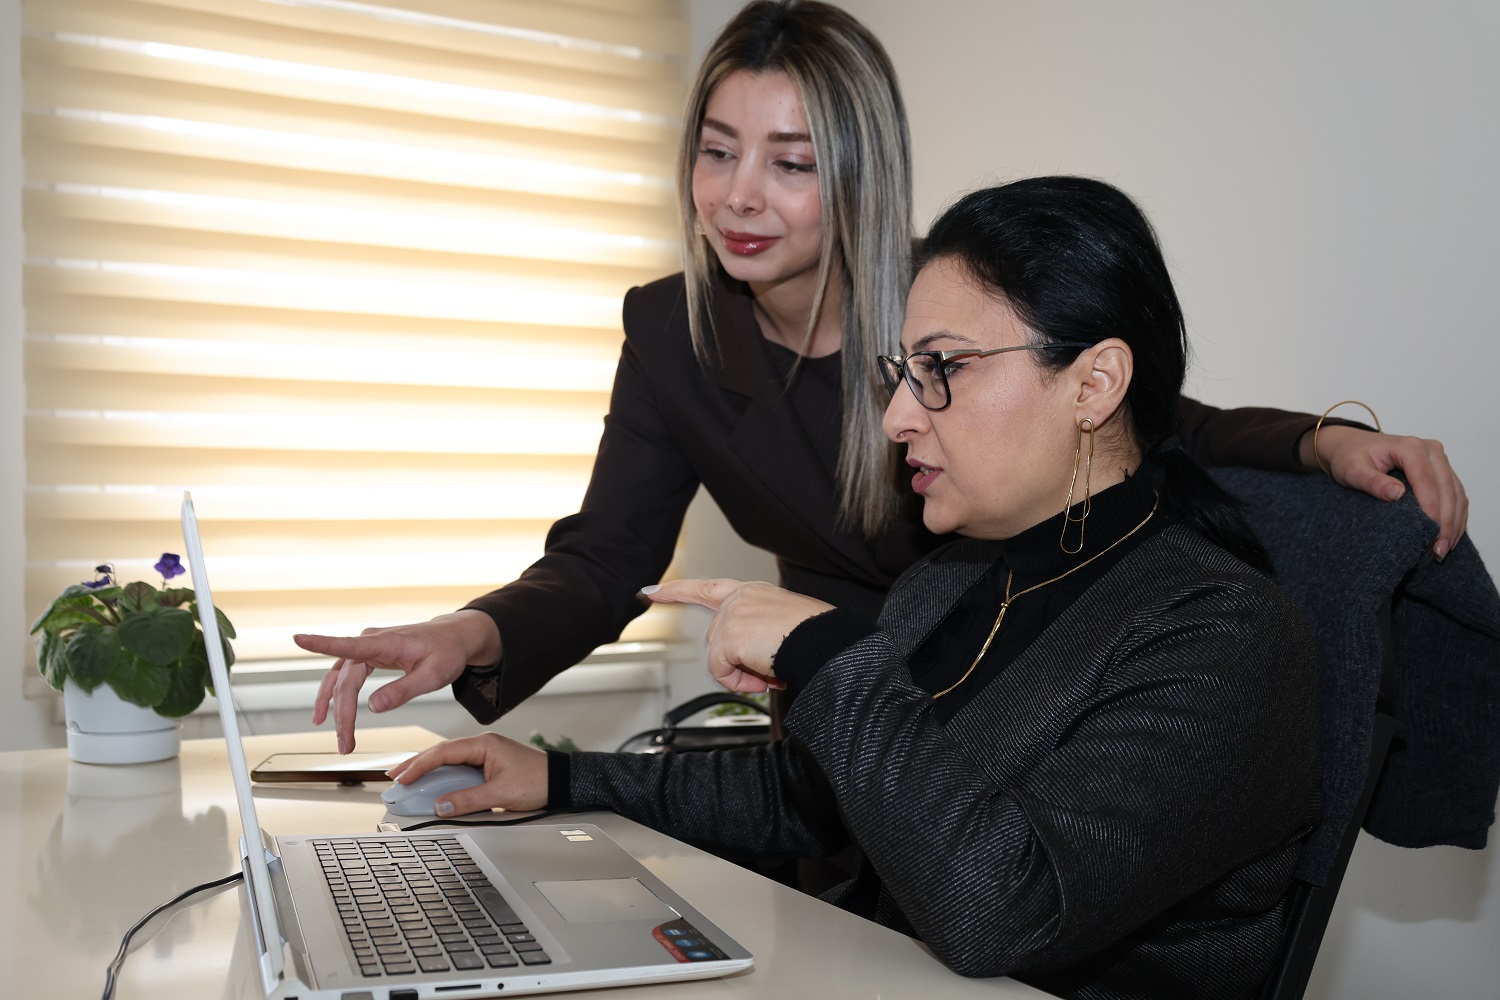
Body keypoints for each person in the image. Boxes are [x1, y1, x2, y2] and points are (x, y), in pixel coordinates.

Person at [297, 0, 1466, 753]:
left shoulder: (941, 305)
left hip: (1001, 696)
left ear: (858, 173)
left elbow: (1145, 416)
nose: (739, 195)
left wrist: (1317, 440)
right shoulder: (671, 329)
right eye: (717, 151)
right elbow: (606, 560)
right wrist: (468, 632)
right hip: (828, 714)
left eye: (791, 162)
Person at [386, 176, 1323, 998]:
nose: (898, 416)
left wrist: (827, 653)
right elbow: (810, 798)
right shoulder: (952, 580)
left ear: (1094, 384)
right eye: (902, 371)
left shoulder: (1223, 638)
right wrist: (563, 778)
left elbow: (1004, 910)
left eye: (942, 368)